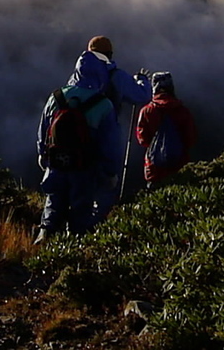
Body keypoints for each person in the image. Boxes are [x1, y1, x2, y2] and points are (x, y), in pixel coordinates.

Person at [35, 35, 152, 240]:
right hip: (87, 164)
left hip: (57, 161)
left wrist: (43, 155)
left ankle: (43, 242)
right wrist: (110, 172)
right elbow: (111, 142)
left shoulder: (60, 95)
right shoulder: (108, 97)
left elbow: (44, 128)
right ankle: (74, 254)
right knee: (82, 210)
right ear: (110, 55)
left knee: (53, 203)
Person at [135, 71, 197, 187]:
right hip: (180, 166)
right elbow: (190, 139)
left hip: (154, 169)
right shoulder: (182, 110)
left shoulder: (147, 111)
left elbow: (142, 139)